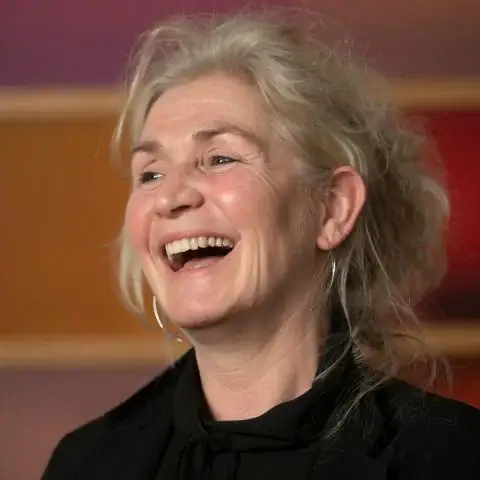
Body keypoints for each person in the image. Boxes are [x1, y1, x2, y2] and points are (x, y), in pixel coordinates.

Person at [42, 12, 480, 480]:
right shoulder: (86, 464)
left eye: (219, 158)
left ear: (332, 208)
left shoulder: (456, 459)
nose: (170, 197)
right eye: (150, 174)